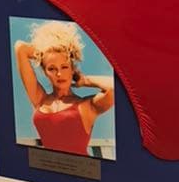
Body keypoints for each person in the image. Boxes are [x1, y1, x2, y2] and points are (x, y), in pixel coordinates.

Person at [14, 21, 114, 156]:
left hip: (80, 167)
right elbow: (20, 48)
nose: (59, 74)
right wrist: (47, 54)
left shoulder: (85, 106)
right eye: (52, 69)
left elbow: (113, 89)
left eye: (64, 67)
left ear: (73, 69)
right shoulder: (40, 99)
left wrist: (85, 80)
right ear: (45, 72)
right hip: (49, 166)